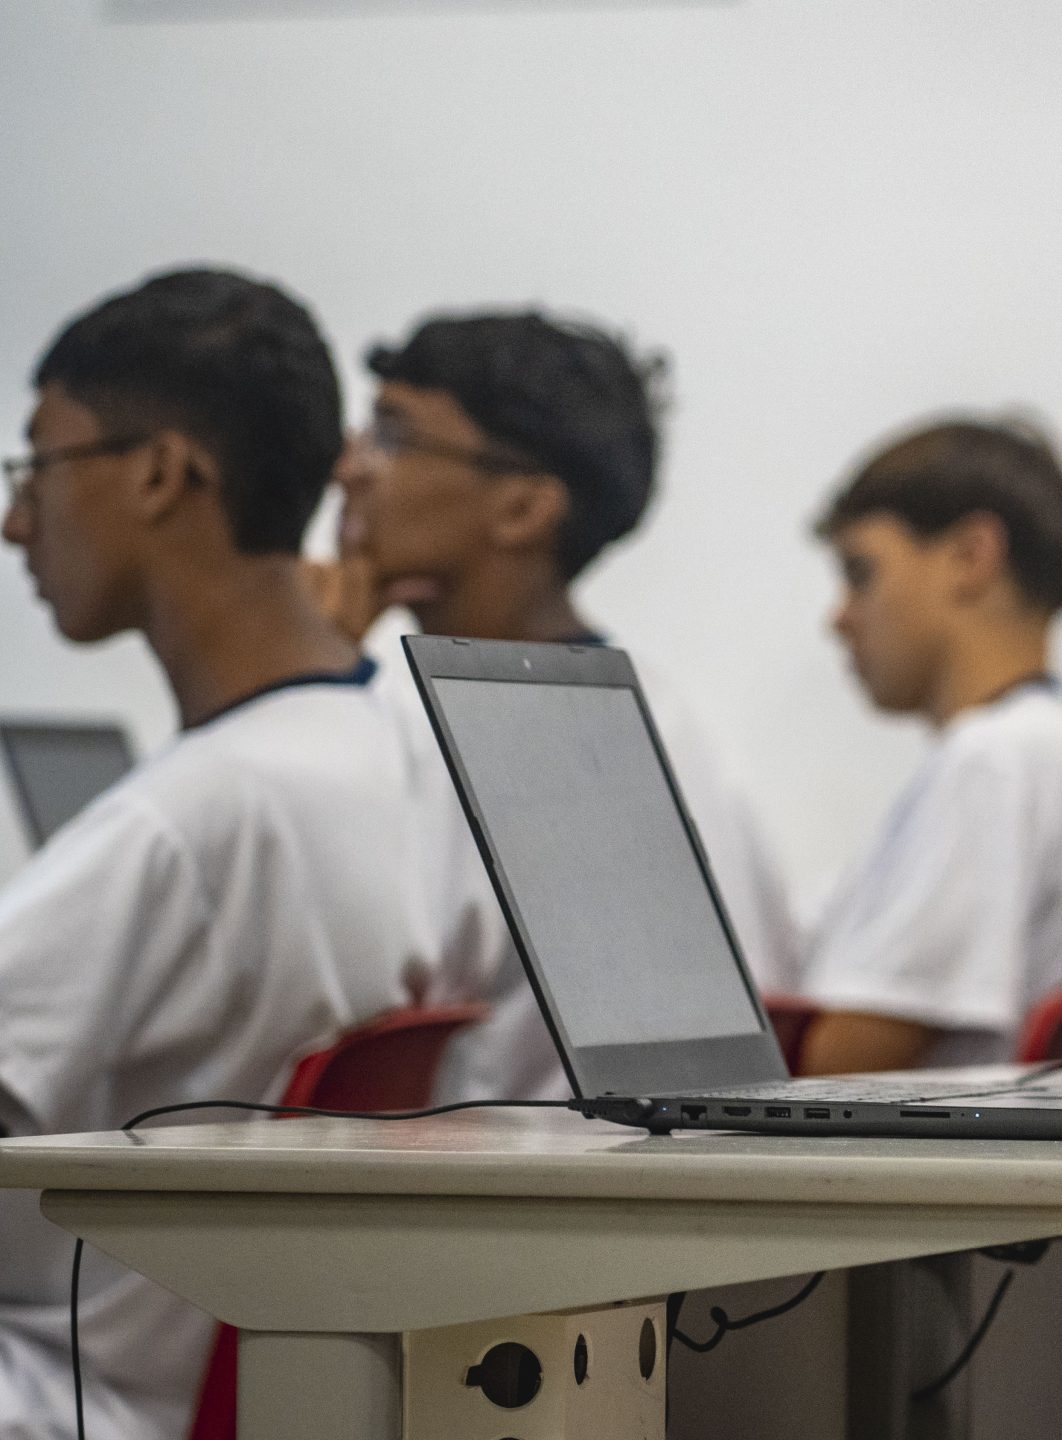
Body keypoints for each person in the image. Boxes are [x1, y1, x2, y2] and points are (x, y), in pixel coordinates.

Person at [0, 268, 436, 1440]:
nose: (13, 521)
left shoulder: (191, 816)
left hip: (64, 1393)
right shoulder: (378, 747)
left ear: (158, 472)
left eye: (38, 466)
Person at [314, 310, 798, 1100]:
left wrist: (313, 690)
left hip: (501, 1193)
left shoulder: (425, 729)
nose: (351, 471)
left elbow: (308, 1017)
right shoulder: (663, 712)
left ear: (523, 509)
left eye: (395, 437)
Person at [795, 418, 1062, 1073]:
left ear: (971, 555)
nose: (838, 616)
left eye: (860, 573)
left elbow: (849, 1065)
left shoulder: (991, 760)